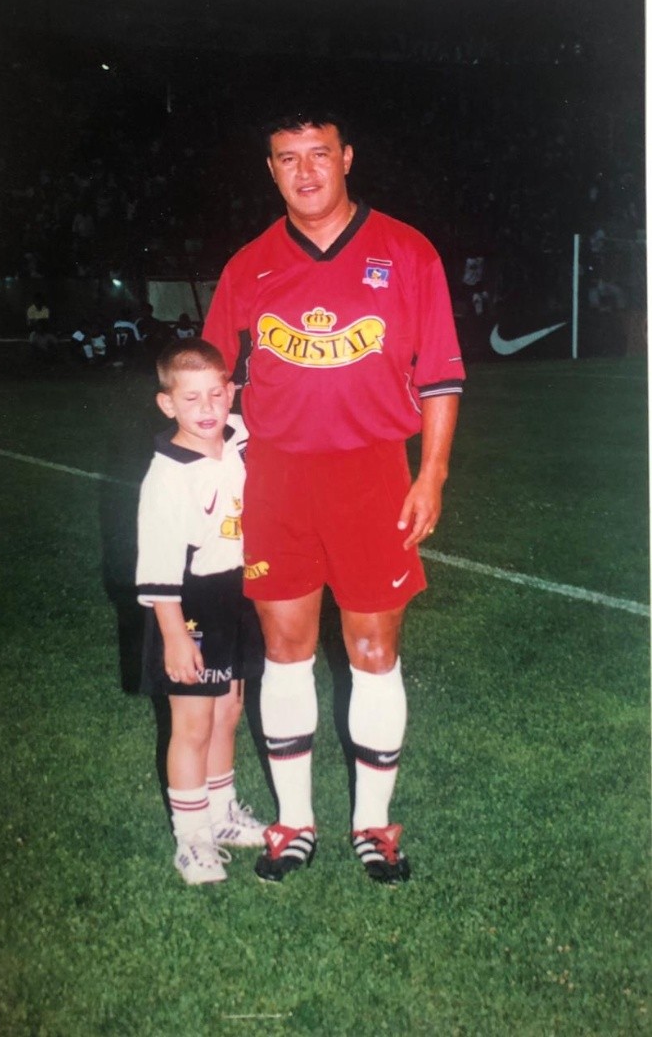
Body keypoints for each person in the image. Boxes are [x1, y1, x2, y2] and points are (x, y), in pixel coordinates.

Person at [202, 111, 464, 885]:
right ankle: (293, 822)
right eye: (288, 159)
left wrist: (433, 473)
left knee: (373, 651)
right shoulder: (247, 266)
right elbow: (212, 384)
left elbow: (442, 373)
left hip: (373, 473)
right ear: (272, 169)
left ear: (347, 157)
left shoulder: (408, 252)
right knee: (284, 650)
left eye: (320, 154)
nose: (306, 171)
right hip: (276, 477)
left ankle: (374, 824)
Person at [135, 338, 267, 885]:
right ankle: (191, 840)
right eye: (192, 399)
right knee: (192, 722)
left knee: (228, 710)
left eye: (217, 394)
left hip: (237, 593)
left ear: (231, 393)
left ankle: (221, 814)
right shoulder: (168, 477)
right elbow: (160, 567)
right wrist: (173, 635)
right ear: (168, 404)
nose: (208, 409)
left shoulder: (237, 438)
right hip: (188, 603)